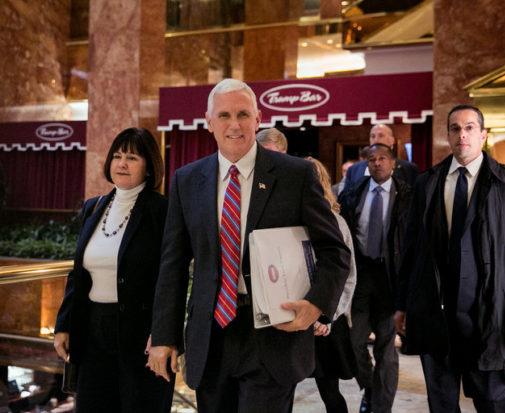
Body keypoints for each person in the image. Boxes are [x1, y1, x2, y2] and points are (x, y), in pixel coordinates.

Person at [146, 78, 350, 412]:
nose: (235, 124)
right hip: (211, 338)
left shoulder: (295, 175)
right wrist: (164, 335)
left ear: (258, 119)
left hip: (274, 335)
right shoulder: (187, 180)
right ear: (209, 123)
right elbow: (173, 263)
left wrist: (316, 305)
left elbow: (335, 252)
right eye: (224, 115)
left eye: (243, 114)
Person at [394, 105, 505, 413]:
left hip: (488, 312)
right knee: (442, 402)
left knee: (491, 398)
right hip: (435, 311)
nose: (462, 134)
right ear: (447, 135)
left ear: (483, 135)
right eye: (455, 128)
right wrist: (402, 303)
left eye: (470, 128)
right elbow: (411, 248)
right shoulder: (426, 183)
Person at [53, 127, 174, 413]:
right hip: (91, 331)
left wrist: (164, 332)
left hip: (141, 335)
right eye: (117, 156)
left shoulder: (162, 211)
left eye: (132, 157)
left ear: (149, 167)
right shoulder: (94, 207)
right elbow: (78, 274)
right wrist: (63, 324)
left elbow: (170, 277)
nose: (122, 163)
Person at [340, 143, 412, 413]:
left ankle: (380, 407)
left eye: (383, 158)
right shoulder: (354, 191)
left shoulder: (406, 194)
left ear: (393, 163)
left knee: (385, 347)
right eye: (372, 160)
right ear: (366, 164)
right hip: (360, 275)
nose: (377, 163)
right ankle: (371, 387)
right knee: (352, 341)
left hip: (390, 277)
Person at [305, 156, 358, 413]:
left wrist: (328, 315)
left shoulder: (335, 222)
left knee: (329, 392)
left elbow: (348, 276)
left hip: (325, 322)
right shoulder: (284, 217)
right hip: (292, 319)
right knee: (280, 392)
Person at [341, 124, 418, 195]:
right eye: (373, 136)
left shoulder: (408, 169)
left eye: (381, 136)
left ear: (392, 141)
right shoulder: (354, 169)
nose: (376, 140)